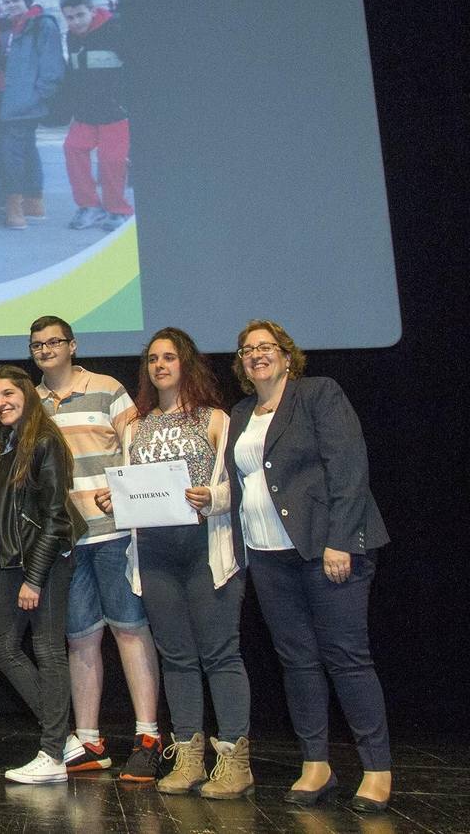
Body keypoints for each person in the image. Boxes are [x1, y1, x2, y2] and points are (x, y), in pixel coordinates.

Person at [225, 320, 391, 811]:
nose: (257, 354)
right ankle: (316, 765)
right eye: (248, 349)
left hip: (326, 551)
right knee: (297, 662)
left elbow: (349, 468)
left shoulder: (318, 393)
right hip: (267, 557)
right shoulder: (241, 412)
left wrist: (340, 541)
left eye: (266, 347)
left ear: (286, 355)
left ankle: (377, 769)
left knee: (347, 658)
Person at [90, 329, 248, 794]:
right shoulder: (134, 426)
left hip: (204, 548)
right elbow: (133, 487)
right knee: (177, 657)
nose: (160, 365)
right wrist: (115, 500)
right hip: (155, 553)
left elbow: (238, 485)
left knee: (219, 654)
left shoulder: (215, 418)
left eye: (169, 357)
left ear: (187, 364)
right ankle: (188, 758)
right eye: (153, 359)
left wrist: (212, 498)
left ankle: (236, 762)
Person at [30, 315, 161, 778]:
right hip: (66, 540)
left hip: (113, 532)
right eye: (38, 345)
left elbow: (139, 445)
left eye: (54, 342)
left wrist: (120, 487)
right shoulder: (31, 402)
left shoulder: (107, 388)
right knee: (80, 638)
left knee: (130, 629)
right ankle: (89, 742)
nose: (46, 350)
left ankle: (148, 736)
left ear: (73, 346)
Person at [0, 364, 79, 784]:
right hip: (15, 560)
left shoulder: (43, 441)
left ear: (27, 394)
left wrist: (35, 578)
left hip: (45, 560)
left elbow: (56, 519)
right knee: (0, 645)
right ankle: (63, 737)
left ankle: (53, 753)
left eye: (8, 394)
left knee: (48, 648)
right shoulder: (9, 443)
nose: (0, 402)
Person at [59, 0, 134, 231]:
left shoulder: (117, 30)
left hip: (115, 110)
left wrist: (126, 101)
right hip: (85, 111)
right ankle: (89, 206)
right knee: (73, 149)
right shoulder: (72, 36)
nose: (76, 22)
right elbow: (75, 72)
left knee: (111, 160)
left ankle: (117, 210)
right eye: (70, 17)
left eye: (80, 15)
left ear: (93, 11)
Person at [0, 0, 63, 229]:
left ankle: (14, 205)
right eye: (7, 1)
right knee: (27, 149)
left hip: (25, 99)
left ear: (27, 1)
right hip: (8, 97)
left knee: (12, 153)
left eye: (15, 0)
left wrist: (37, 95)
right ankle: (34, 202)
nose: (11, 5)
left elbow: (52, 65)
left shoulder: (42, 24)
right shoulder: (7, 26)